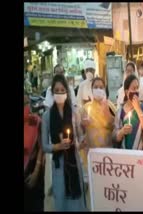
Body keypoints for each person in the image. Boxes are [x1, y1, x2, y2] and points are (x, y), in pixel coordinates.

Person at [41, 74, 87, 211]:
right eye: (57, 90)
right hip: (58, 166)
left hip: (74, 162)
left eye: (62, 90)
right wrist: (58, 146)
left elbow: (80, 138)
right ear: (52, 92)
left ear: (67, 92)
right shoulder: (47, 116)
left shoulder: (74, 112)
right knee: (61, 199)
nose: (60, 93)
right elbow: (44, 146)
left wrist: (84, 133)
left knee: (76, 201)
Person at [80, 77, 116, 183]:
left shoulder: (110, 106)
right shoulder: (85, 108)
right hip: (92, 154)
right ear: (91, 90)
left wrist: (106, 113)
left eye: (101, 87)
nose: (98, 89)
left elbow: (115, 128)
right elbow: (80, 132)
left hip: (108, 154)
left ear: (105, 89)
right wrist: (83, 125)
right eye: (96, 87)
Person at [112, 74, 143, 149]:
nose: (136, 91)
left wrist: (138, 109)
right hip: (126, 153)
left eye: (137, 88)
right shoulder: (120, 112)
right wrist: (122, 131)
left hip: (141, 153)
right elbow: (115, 137)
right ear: (127, 92)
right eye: (133, 88)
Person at [24, 91, 45, 211]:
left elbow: (41, 147)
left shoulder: (35, 121)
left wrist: (36, 172)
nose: (25, 106)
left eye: (27, 102)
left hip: (33, 172)